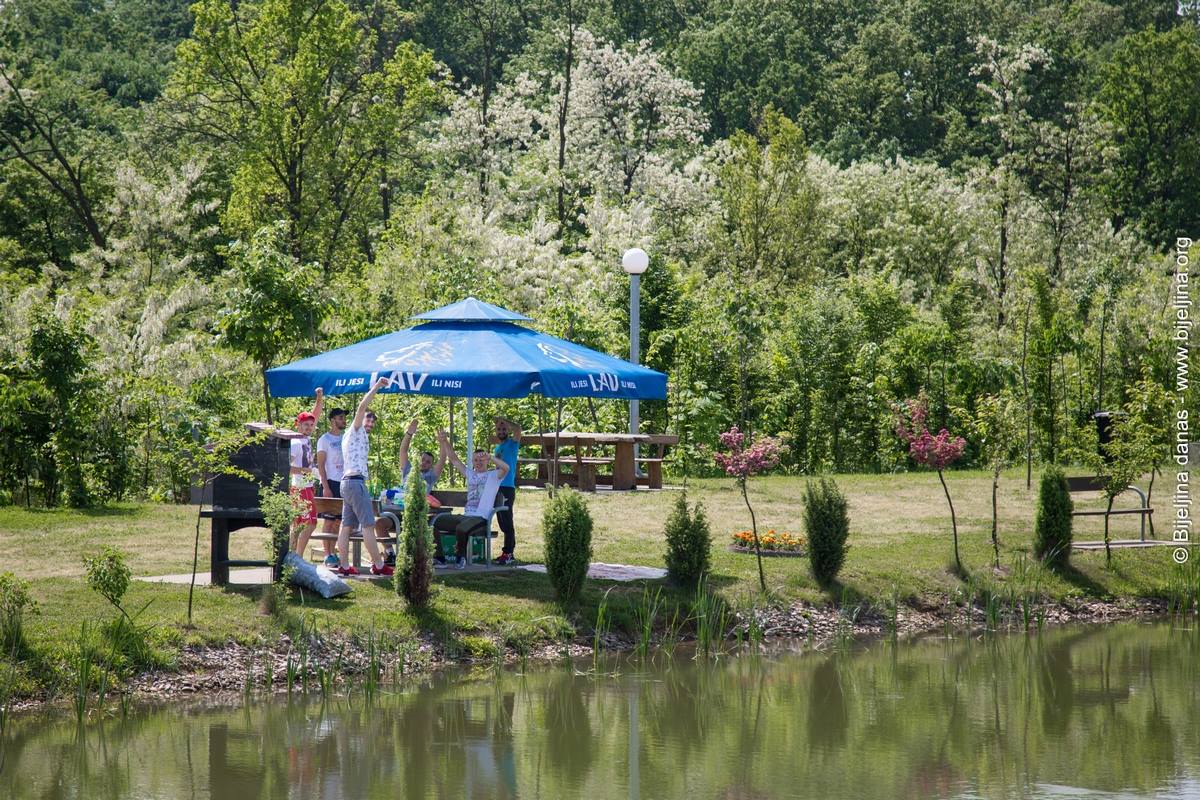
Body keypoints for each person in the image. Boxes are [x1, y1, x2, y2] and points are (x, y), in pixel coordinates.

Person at [336, 377, 394, 577]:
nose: (370, 421)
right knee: (369, 525)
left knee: (346, 525)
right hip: (355, 482)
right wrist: (377, 386)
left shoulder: (356, 436)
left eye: (372, 420)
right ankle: (378, 566)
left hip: (347, 483)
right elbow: (362, 406)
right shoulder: (355, 429)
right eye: (368, 418)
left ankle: (343, 566)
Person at [433, 428, 508, 569]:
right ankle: (440, 558)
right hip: (466, 516)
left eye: (481, 460)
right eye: (475, 460)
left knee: (462, 528)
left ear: (486, 461)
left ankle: (460, 558)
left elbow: (506, 468)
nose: (478, 462)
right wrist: (444, 441)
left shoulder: (494, 476)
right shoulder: (471, 474)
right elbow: (454, 459)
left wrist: (490, 456)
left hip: (481, 518)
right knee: (433, 523)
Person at [289, 389, 323, 555]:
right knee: (307, 523)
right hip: (299, 488)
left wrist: (319, 398)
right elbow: (285, 468)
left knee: (303, 523)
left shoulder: (306, 438)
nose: (310, 427)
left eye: (311, 425)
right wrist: (305, 470)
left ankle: (294, 555)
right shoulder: (295, 442)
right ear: (298, 425)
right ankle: (297, 556)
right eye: (306, 425)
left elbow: (315, 414)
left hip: (307, 487)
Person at [313, 406, 348, 567]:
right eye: (340, 418)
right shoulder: (324, 440)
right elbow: (320, 465)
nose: (344, 420)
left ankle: (333, 552)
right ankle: (327, 555)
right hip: (330, 482)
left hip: (345, 482)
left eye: (344, 418)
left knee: (338, 522)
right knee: (328, 521)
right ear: (332, 420)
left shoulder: (346, 437)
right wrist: (325, 486)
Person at [491, 416, 522, 565]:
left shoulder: (512, 443)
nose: (501, 431)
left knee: (507, 521)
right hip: (497, 487)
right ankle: (506, 553)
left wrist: (504, 420)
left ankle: (509, 553)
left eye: (504, 429)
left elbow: (518, 429)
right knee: (501, 521)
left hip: (507, 487)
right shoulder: (498, 448)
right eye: (499, 429)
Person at [400, 418, 446, 496]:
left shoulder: (431, 476)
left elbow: (442, 459)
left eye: (428, 462)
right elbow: (403, 451)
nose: (424, 462)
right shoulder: (408, 469)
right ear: (418, 459)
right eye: (423, 459)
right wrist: (409, 434)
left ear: (431, 465)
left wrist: (443, 442)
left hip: (419, 506)